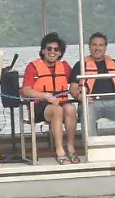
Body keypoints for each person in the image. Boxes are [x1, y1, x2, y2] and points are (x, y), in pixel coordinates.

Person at [20, 32, 78, 164]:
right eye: (49, 49)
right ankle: (59, 150)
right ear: (43, 50)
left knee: (70, 109)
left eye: (56, 49)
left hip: (61, 102)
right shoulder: (33, 67)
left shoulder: (64, 67)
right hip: (40, 106)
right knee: (56, 110)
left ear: (60, 52)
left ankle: (70, 147)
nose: (52, 52)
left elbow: (75, 82)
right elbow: (26, 90)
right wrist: (44, 95)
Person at [70, 32, 115, 136]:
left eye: (101, 45)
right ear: (89, 47)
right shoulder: (80, 65)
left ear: (105, 47)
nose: (97, 48)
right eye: (94, 45)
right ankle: (93, 148)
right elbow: (73, 88)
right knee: (87, 116)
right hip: (91, 103)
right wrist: (81, 97)